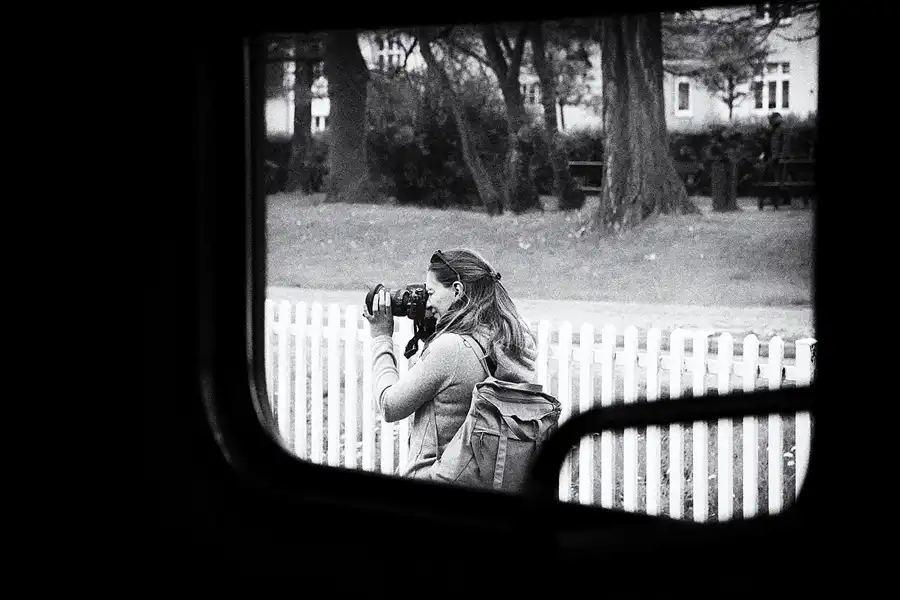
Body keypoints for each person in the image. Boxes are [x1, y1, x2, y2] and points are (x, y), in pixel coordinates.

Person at [362, 248, 539, 480]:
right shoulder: (507, 343)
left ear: (457, 290)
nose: (426, 303)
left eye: (431, 293)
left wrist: (381, 337)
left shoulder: (451, 349)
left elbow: (389, 405)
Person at [758, 112, 790, 210]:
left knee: (776, 179)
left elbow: (785, 144)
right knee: (770, 178)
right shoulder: (774, 130)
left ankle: (779, 199)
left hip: (778, 159)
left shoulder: (782, 129)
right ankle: (773, 199)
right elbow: (770, 145)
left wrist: (780, 157)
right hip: (773, 158)